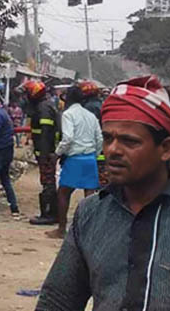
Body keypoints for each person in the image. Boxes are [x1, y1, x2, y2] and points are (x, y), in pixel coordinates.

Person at [36, 76, 170, 311]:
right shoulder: (90, 214)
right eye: (107, 138)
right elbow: (58, 301)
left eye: (129, 141)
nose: (113, 150)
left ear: (165, 148)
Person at [48, 84, 103, 239]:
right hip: (90, 158)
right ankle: (89, 232)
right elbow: (99, 138)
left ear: (68, 99)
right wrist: (94, 154)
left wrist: (57, 154)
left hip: (75, 158)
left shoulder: (68, 115)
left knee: (63, 193)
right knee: (90, 196)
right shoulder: (90, 116)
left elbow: (68, 138)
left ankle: (61, 229)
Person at [23, 79, 60, 225]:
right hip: (46, 152)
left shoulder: (43, 108)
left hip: (46, 153)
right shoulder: (45, 106)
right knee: (47, 182)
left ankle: (49, 214)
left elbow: (45, 133)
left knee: (48, 183)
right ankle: (50, 212)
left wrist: (43, 155)